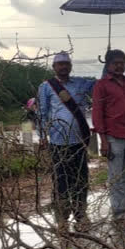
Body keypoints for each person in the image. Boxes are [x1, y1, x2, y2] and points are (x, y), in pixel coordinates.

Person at [37, 52, 95, 230]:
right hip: (57, 142)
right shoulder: (46, 87)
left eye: (66, 64)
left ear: (70, 66)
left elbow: (101, 84)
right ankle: (62, 219)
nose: (63, 67)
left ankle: (81, 215)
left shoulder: (81, 83)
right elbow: (42, 113)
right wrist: (42, 136)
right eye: (59, 64)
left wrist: (108, 61)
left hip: (78, 143)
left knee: (80, 179)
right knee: (61, 181)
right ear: (54, 67)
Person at [92, 49, 125, 227]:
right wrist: (103, 140)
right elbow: (98, 113)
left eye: (122, 62)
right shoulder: (102, 85)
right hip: (114, 137)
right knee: (116, 177)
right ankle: (118, 214)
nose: (119, 66)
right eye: (116, 62)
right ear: (108, 64)